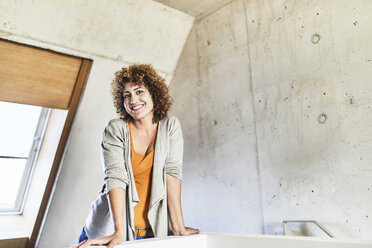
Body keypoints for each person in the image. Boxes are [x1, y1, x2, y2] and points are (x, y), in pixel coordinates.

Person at [74, 64, 199, 248]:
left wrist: (178, 226)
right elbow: (115, 177)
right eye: (127, 95)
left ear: (153, 93)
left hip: (153, 234)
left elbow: (172, 172)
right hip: (111, 231)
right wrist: (118, 231)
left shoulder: (170, 127)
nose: (133, 100)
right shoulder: (116, 129)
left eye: (139, 91)